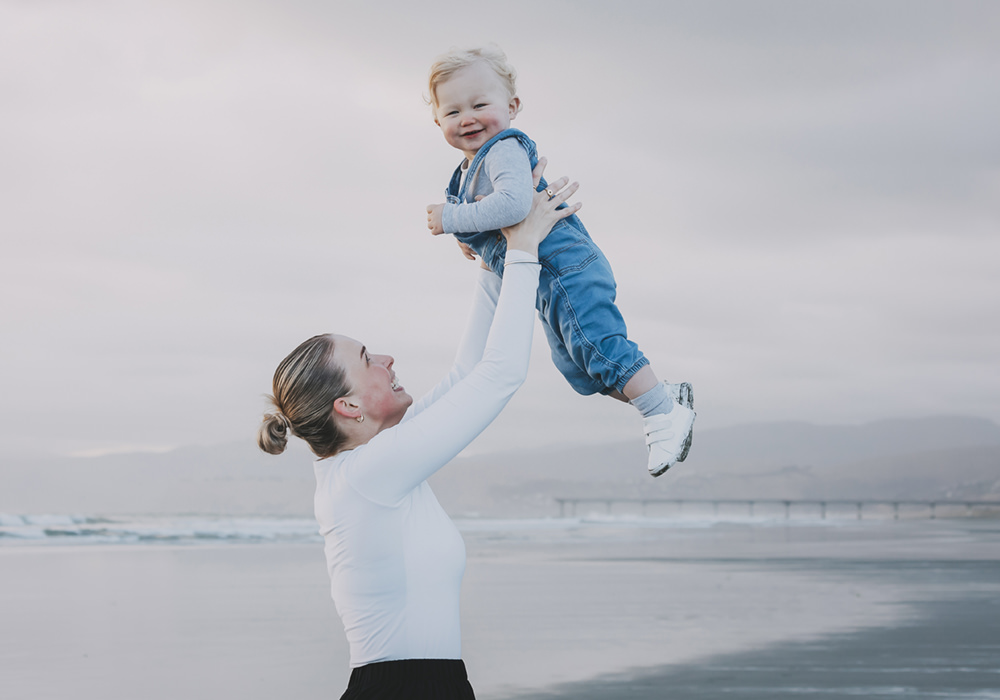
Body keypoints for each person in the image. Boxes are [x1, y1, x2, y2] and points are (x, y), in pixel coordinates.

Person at [257, 162, 579, 700]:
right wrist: (523, 250)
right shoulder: (368, 474)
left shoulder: (373, 466)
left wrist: (493, 255)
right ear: (349, 405)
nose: (386, 357)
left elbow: (468, 373)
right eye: (367, 358)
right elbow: (498, 376)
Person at [425, 46, 696, 476]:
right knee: (579, 370)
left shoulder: (503, 149)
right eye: (453, 111)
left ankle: (661, 413)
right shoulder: (469, 167)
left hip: (566, 268)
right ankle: (665, 396)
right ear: (437, 121)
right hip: (546, 281)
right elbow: (497, 219)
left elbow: (514, 207)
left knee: (598, 347)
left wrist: (452, 218)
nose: (468, 118)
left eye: (480, 104)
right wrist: (473, 240)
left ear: (512, 107)